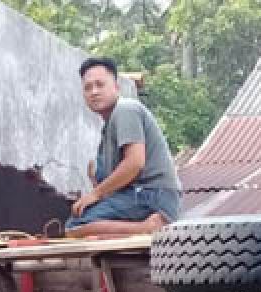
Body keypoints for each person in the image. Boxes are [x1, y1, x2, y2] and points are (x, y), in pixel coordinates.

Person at [68, 57, 182, 237]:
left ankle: (148, 228)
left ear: (116, 87)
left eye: (100, 84)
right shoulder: (108, 128)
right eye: (88, 87)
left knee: (75, 227)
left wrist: (96, 194)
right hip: (142, 196)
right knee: (85, 225)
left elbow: (135, 163)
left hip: (153, 195)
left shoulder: (126, 109)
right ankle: (137, 229)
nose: (94, 91)